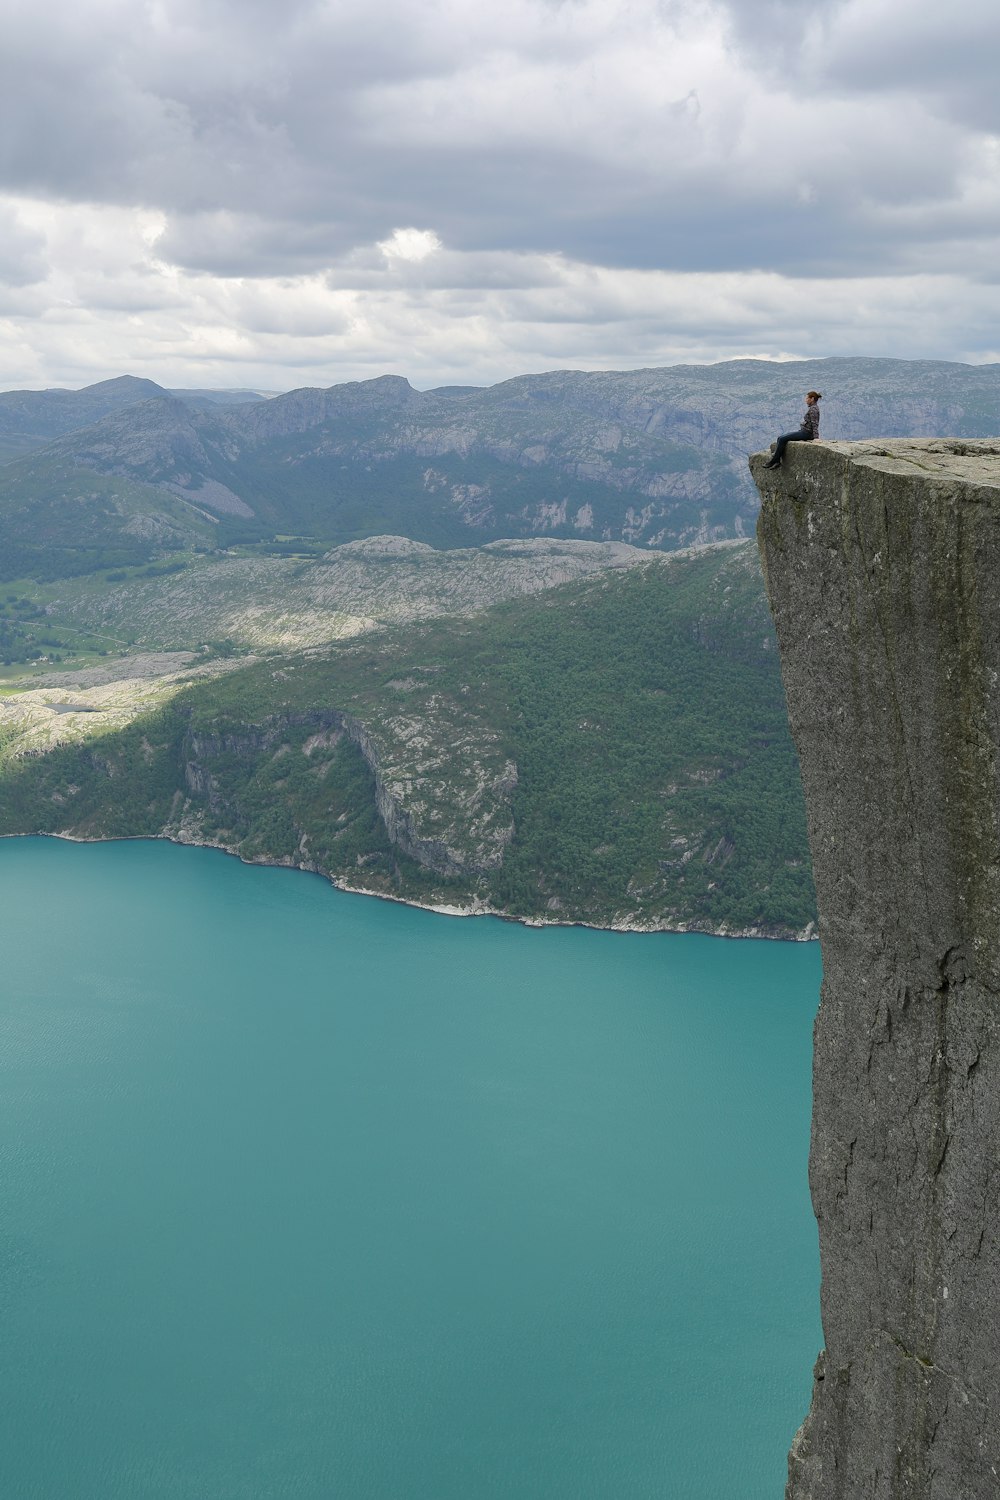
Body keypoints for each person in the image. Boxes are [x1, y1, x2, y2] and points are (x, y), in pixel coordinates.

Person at [764, 391, 822, 468]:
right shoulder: (813, 408)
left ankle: (773, 461)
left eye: (807, 398)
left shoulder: (813, 409)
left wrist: (816, 437)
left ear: (812, 399)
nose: (806, 400)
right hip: (804, 431)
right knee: (780, 438)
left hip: (807, 433)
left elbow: (815, 424)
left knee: (782, 439)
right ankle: (777, 461)